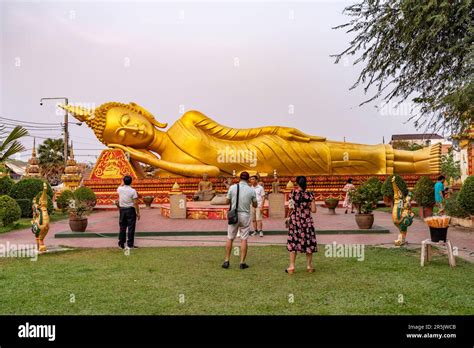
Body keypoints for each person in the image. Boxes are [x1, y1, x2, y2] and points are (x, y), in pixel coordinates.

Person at [222, 171, 257, 270]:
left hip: (234, 215)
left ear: (239, 178)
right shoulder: (251, 190)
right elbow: (255, 205)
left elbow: (227, 201)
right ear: (248, 179)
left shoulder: (232, 187)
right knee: (244, 239)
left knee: (230, 237)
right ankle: (242, 262)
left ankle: (226, 260)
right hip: (245, 215)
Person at [285, 176, 317, 274]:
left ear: (297, 183)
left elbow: (290, 207)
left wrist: (287, 217)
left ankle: (291, 266)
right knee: (308, 242)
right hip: (306, 221)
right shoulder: (310, 194)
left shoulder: (293, 193)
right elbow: (314, 210)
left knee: (293, 242)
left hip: (295, 221)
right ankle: (309, 266)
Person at [117, 175, 141, 249]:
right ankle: (130, 244)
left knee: (122, 227)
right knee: (131, 227)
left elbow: (120, 186)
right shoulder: (133, 191)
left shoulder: (120, 189)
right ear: (131, 182)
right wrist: (138, 212)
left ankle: (121, 243)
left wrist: (122, 182)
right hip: (130, 210)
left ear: (124, 181)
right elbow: (135, 203)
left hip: (122, 210)